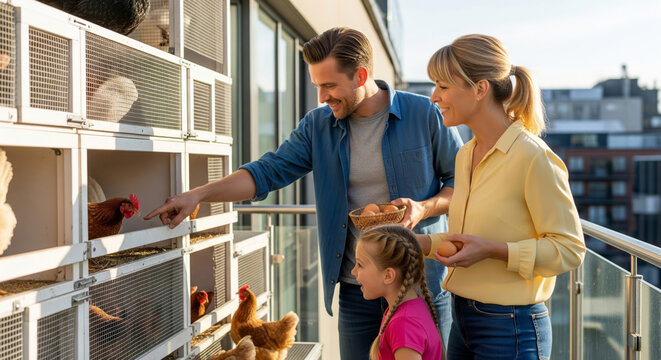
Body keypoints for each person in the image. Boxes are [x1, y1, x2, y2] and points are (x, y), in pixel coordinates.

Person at [145, 27, 463, 359]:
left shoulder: (424, 114)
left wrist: (423, 208)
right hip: (360, 288)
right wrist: (199, 194)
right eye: (317, 87)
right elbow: (267, 171)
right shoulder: (318, 125)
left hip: (420, 287)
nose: (322, 97)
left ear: (361, 75)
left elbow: (461, 183)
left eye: (329, 86)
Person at [415, 34, 586, 359]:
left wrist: (495, 251)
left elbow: (570, 250)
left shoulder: (532, 157)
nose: (434, 96)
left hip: (512, 327)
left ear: (480, 89)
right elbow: (468, 241)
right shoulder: (466, 154)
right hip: (463, 318)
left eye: (443, 86)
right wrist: (417, 244)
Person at [352, 225, 443, 360]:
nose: (353, 272)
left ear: (388, 275)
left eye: (360, 264)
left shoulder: (403, 324)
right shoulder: (409, 307)